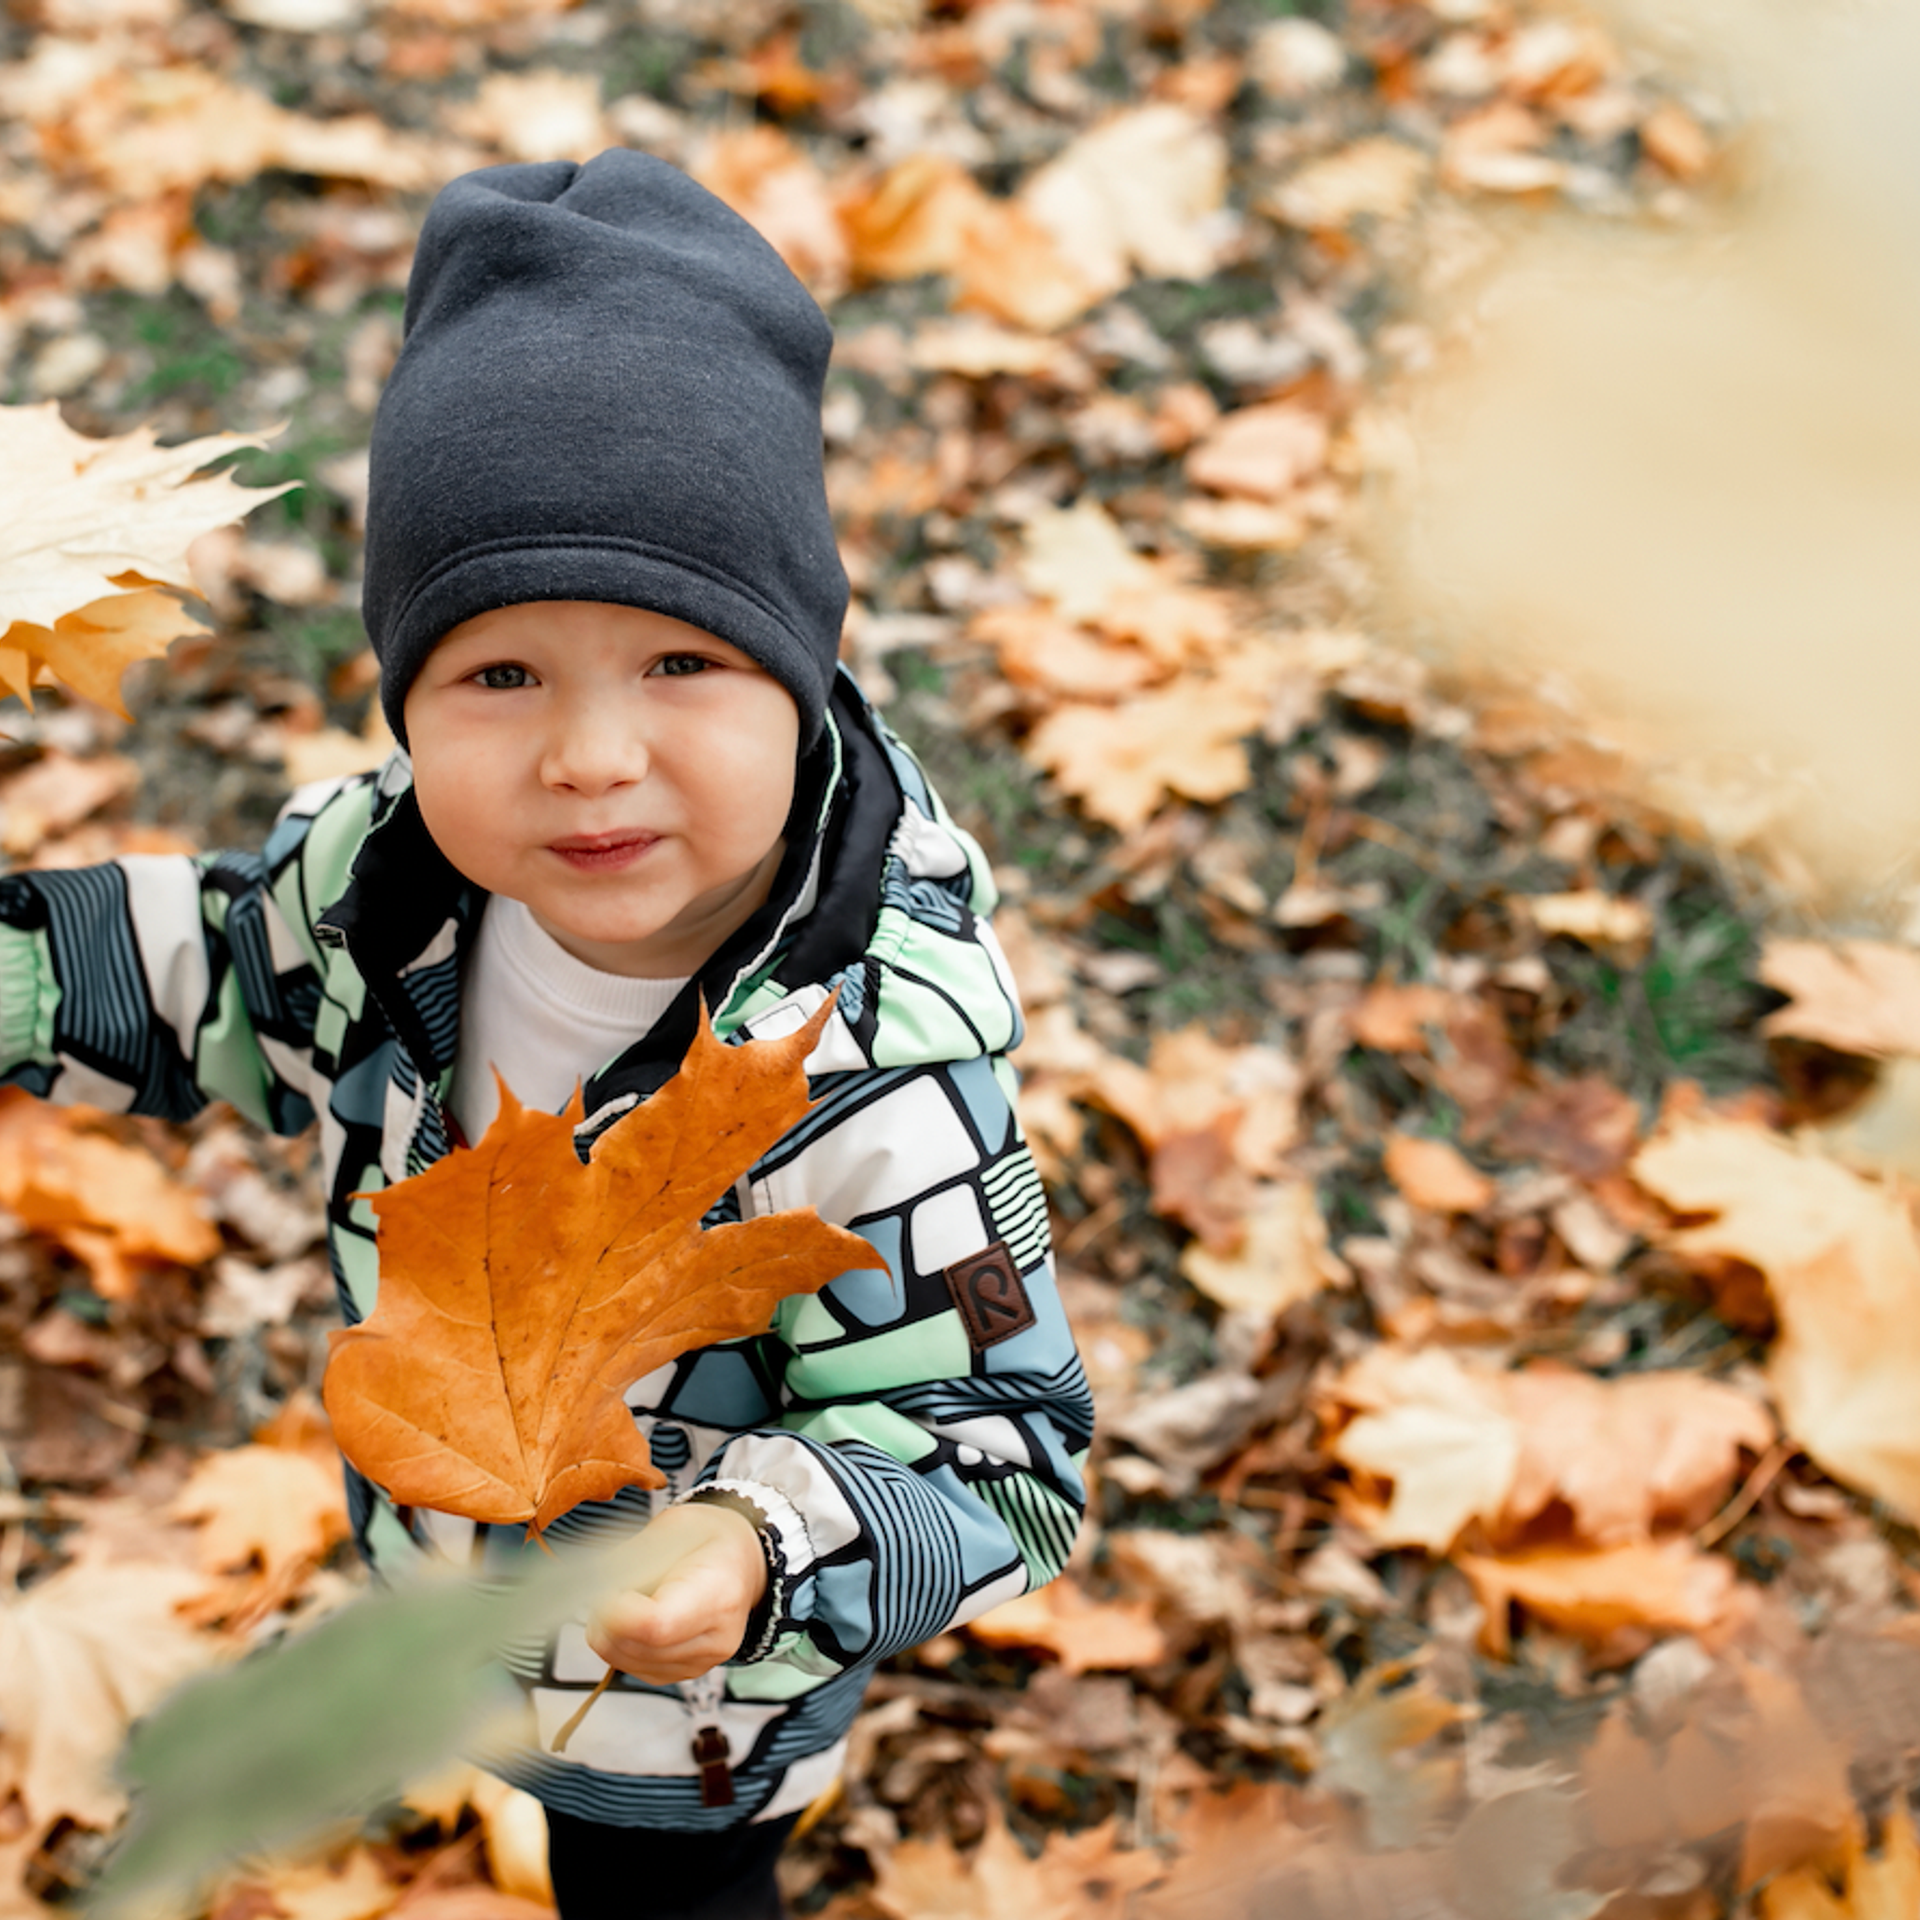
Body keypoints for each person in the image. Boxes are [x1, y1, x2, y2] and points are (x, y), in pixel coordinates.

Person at [0, 152, 1091, 1919]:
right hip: (446, 1579)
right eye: (499, 676)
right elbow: (202, 966)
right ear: (409, 698)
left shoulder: (873, 1079)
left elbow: (998, 1435)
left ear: (802, 673)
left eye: (680, 666)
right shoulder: (382, 888)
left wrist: (756, 1545)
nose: (589, 753)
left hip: (688, 1708)